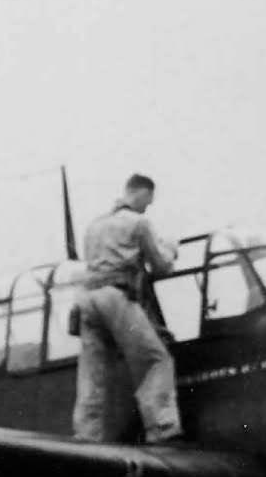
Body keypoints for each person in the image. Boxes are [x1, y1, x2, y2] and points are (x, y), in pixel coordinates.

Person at [72, 173, 185, 445]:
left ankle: (87, 436)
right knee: (157, 360)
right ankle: (162, 428)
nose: (149, 206)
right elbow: (161, 265)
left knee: (92, 374)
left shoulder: (94, 226)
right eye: (149, 200)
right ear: (143, 193)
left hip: (86, 299)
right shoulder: (139, 222)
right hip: (116, 297)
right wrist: (170, 249)